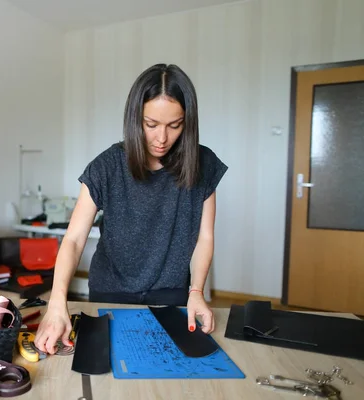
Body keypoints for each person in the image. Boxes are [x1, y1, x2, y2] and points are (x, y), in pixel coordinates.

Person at [34, 63, 228, 355]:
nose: (162, 138)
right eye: (151, 125)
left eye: (174, 125)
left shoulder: (203, 164)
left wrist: (197, 291)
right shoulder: (107, 166)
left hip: (171, 292)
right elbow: (73, 240)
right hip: (110, 290)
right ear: (135, 118)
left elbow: (205, 237)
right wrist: (57, 301)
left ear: (187, 122)